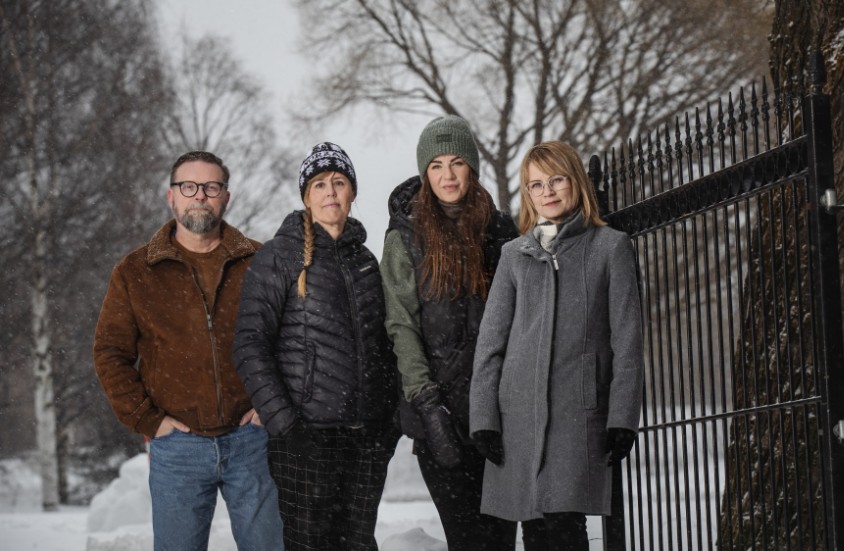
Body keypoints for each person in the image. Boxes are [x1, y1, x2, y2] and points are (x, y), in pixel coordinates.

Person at [93, 151, 283, 551]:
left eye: (211, 187)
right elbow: (110, 352)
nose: (200, 196)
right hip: (176, 447)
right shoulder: (136, 271)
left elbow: (291, 339)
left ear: (225, 197)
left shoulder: (259, 260)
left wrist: (270, 404)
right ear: (171, 197)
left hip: (252, 440)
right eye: (189, 187)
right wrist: (147, 419)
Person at [469, 141, 644, 550]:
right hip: (519, 417)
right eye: (535, 185)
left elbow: (628, 342)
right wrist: (484, 418)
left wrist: (622, 417)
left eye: (556, 180)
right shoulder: (514, 255)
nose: (546, 191)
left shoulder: (609, 247)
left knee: (564, 524)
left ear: (575, 182)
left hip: (576, 413)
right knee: (534, 528)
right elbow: (491, 343)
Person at [233, 142, 400, 551]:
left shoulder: (365, 261)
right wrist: (286, 425)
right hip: (305, 438)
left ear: (352, 193)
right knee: (308, 543)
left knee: (358, 542)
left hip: (364, 438)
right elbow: (250, 343)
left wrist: (388, 420)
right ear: (306, 196)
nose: (330, 192)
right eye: (320, 184)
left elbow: (385, 342)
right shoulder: (280, 256)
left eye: (339, 182)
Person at [380, 115, 520, 550]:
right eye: (436, 165)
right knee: (467, 539)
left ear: (471, 168)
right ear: (425, 172)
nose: (447, 175)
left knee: (500, 538)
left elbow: (520, 319)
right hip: (441, 416)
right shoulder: (405, 236)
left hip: (500, 413)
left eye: (456, 162)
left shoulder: (501, 231)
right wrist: (428, 405)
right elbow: (400, 323)